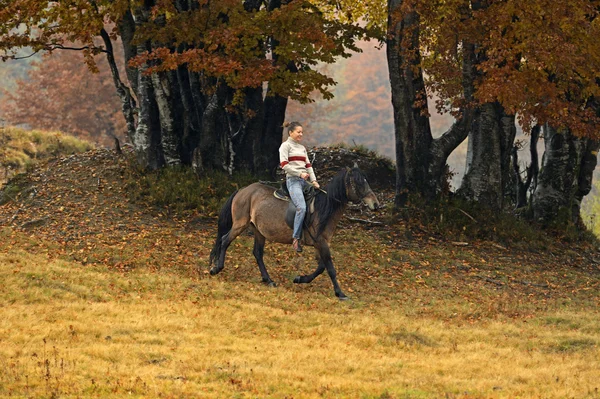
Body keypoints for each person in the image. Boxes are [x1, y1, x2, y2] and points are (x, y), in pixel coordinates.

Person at [279, 121, 320, 252]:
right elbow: (284, 165)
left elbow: (308, 166)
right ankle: (296, 239)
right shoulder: (285, 146)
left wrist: (314, 180)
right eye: (298, 132)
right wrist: (299, 173)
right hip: (293, 181)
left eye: (302, 132)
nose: (301, 134)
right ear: (291, 132)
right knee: (301, 207)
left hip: (305, 181)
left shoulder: (302, 148)